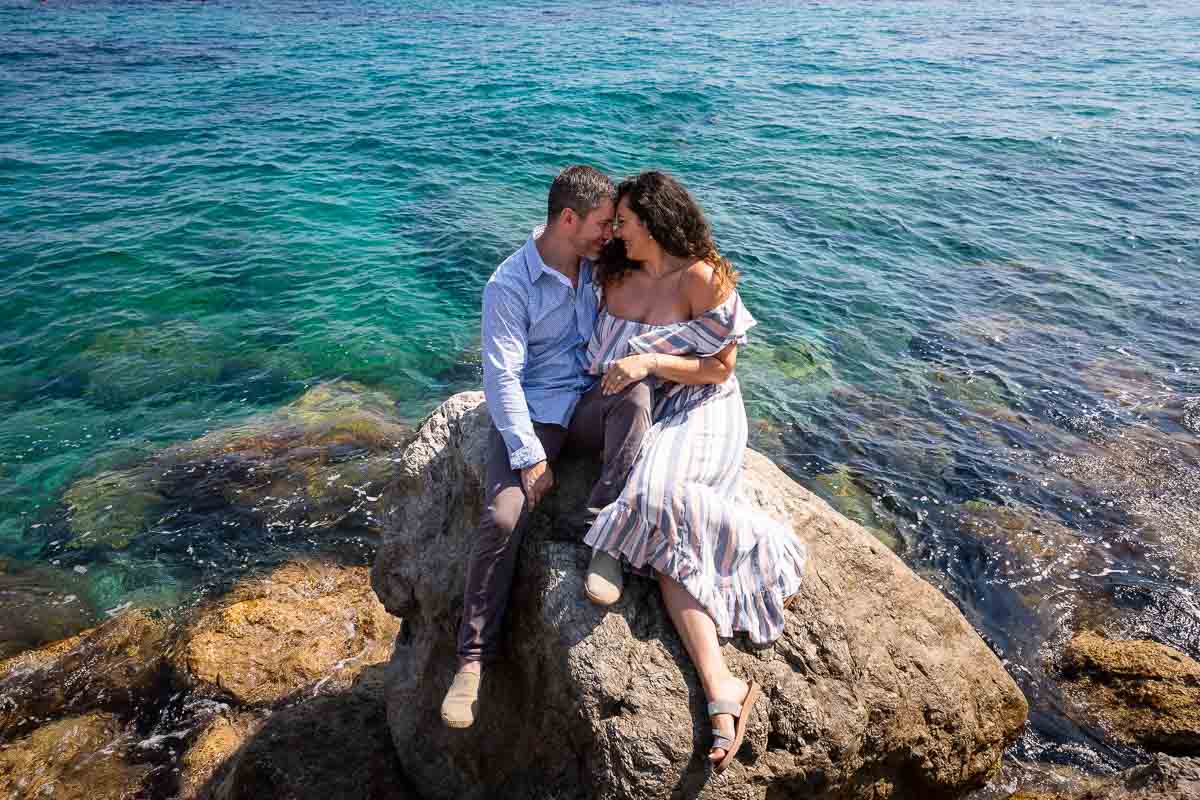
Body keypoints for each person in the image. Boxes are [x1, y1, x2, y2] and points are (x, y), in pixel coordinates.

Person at [441, 165, 683, 728]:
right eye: (603, 224)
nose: (611, 234)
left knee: (637, 397)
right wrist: (529, 457)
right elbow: (501, 380)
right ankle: (472, 660)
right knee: (503, 518)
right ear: (567, 219)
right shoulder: (509, 286)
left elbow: (670, 262)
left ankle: (605, 535)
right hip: (539, 411)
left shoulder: (603, 264)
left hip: (592, 396)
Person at [583, 171, 808, 772]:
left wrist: (649, 361)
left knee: (658, 494)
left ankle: (753, 550)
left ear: (655, 223)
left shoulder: (703, 276)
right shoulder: (614, 268)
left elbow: (721, 368)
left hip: (701, 405)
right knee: (663, 523)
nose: (615, 230)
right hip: (639, 407)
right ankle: (721, 686)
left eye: (624, 221)